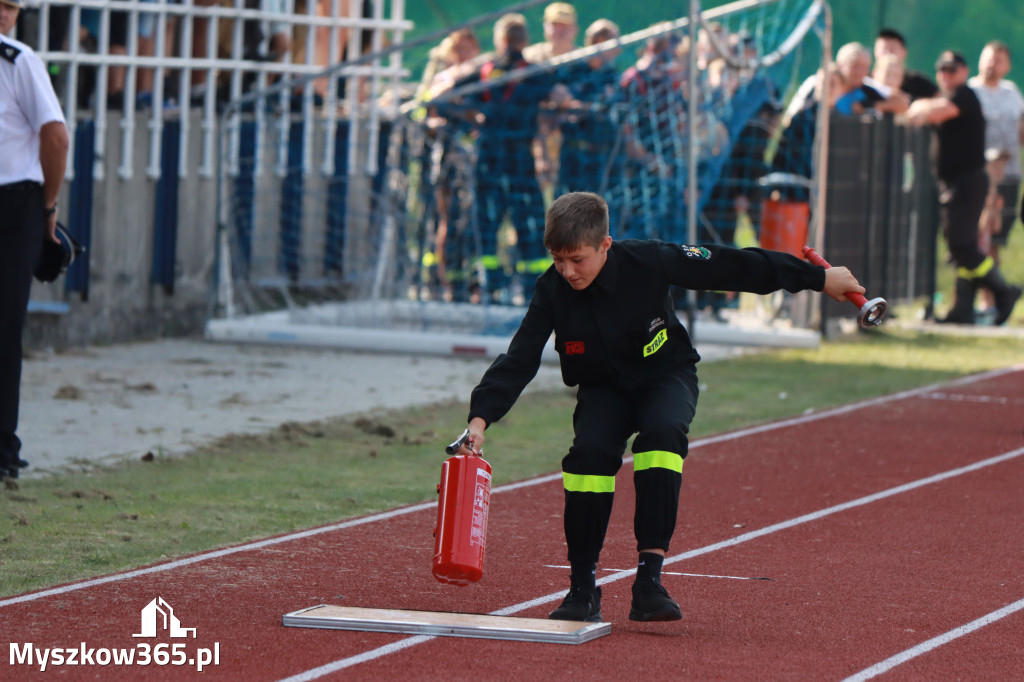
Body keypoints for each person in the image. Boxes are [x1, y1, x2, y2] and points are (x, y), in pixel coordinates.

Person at [453, 191, 865, 622]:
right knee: (587, 460)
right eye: (558, 260)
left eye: (577, 259)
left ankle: (649, 582)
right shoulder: (552, 289)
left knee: (662, 438)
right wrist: (480, 420)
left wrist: (817, 279)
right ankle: (581, 589)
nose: (567, 271)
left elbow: (732, 264)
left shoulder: (649, 260)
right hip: (603, 389)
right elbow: (520, 357)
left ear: (605, 245)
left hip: (664, 375)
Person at [0, 0, 69, 480]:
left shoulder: (19, 59)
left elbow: (55, 136)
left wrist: (47, 205)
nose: (5, 15)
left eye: (12, 8)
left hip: (14, 202)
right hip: (16, 204)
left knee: (4, 329)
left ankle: (3, 448)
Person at [906, 50, 1021, 325]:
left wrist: (917, 108)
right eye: (941, 70)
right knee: (962, 246)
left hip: (968, 183)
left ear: (964, 71)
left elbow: (937, 112)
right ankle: (963, 309)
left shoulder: (964, 95)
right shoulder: (947, 95)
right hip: (957, 184)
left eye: (952, 70)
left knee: (962, 247)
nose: (946, 75)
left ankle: (1003, 291)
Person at [968, 41, 1024, 298]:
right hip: (977, 175)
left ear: (1008, 65)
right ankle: (977, 299)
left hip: (1008, 175)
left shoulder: (1012, 92)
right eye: (989, 58)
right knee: (976, 238)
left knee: (996, 241)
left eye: (999, 60)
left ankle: (994, 300)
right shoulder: (970, 90)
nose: (993, 63)